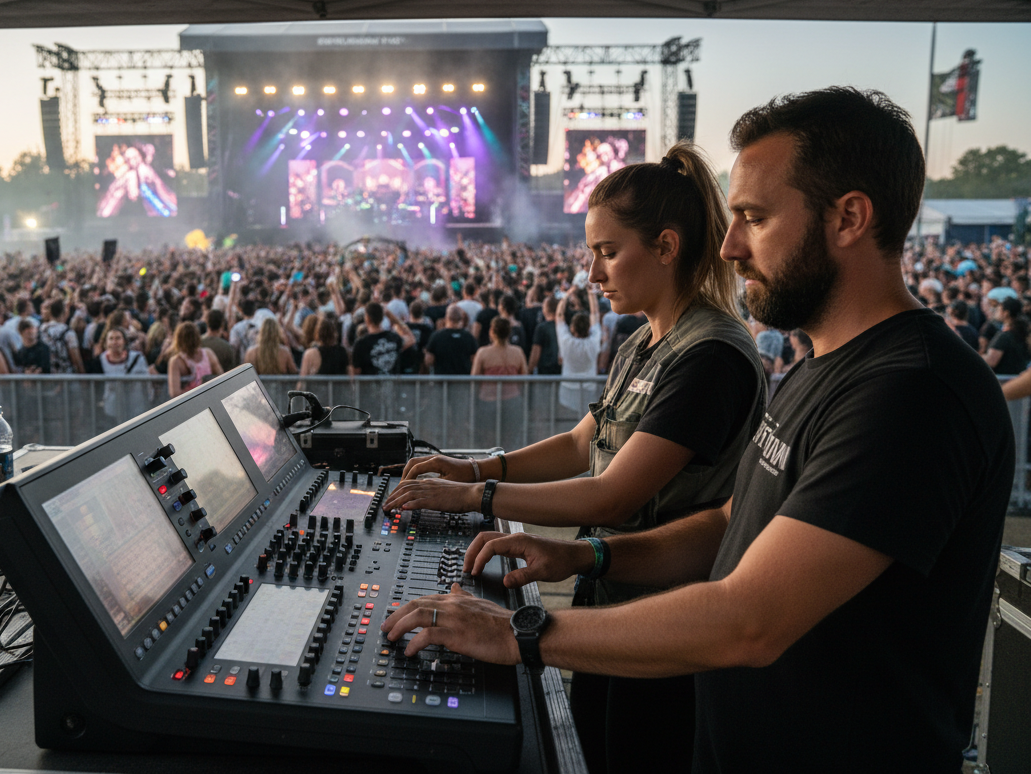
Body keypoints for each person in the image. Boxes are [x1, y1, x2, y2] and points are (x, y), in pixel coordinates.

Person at [384, 88, 1012, 774]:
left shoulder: (914, 392)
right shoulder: (818, 368)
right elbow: (730, 524)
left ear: (849, 218)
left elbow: (751, 618)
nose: (731, 244)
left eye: (755, 217)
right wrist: (588, 558)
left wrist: (520, 631)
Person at [385, 143, 765, 774]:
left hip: (667, 617)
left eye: (607, 252)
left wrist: (475, 497)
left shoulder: (711, 358)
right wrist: (474, 468)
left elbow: (613, 494)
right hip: (615, 597)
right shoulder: (644, 340)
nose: (592, 273)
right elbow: (578, 443)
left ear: (666, 247)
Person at [471, 316, 528, 448]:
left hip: (488, 402)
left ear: (492, 331)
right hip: (512, 401)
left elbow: (474, 379)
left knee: (488, 439)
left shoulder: (483, 353)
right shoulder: (517, 352)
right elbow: (524, 378)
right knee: (510, 439)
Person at [556, 286, 601, 414]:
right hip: (589, 388)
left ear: (572, 328)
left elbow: (559, 316)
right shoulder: (593, 342)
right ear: (588, 328)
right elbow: (595, 314)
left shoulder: (566, 342)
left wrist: (566, 295)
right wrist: (591, 294)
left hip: (567, 388)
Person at [98, 326, 149, 423]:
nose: (114, 342)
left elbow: (146, 382)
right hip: (111, 408)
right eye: (111, 339)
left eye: (118, 338)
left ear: (124, 341)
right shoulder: (100, 360)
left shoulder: (138, 358)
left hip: (135, 406)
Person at [352, 302, 416, 376]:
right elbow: (411, 338)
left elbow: (356, 372)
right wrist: (391, 316)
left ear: (367, 318)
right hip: (392, 382)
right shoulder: (393, 338)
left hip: (371, 383)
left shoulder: (360, 344)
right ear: (382, 318)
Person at [167, 321, 224, 398]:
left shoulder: (176, 361)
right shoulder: (208, 353)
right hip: (211, 397)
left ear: (178, 339)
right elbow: (221, 376)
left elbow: (175, 393)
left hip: (192, 402)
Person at [424, 304, 479, 375]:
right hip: (463, 379)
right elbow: (474, 359)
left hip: (442, 378)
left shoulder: (436, 336)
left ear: (446, 318)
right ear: (462, 319)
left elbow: (429, 361)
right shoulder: (469, 337)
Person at [984, 296, 1030, 376]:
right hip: (1018, 377)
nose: (995, 312)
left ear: (1006, 313)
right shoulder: (1023, 333)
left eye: (998, 310)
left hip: (1003, 379)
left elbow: (991, 361)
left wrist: (978, 357)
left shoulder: (1005, 336)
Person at [528, 295, 561, 375]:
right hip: (561, 372)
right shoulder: (564, 327)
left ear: (545, 310)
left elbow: (535, 353)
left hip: (545, 373)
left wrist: (529, 370)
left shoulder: (541, 328)